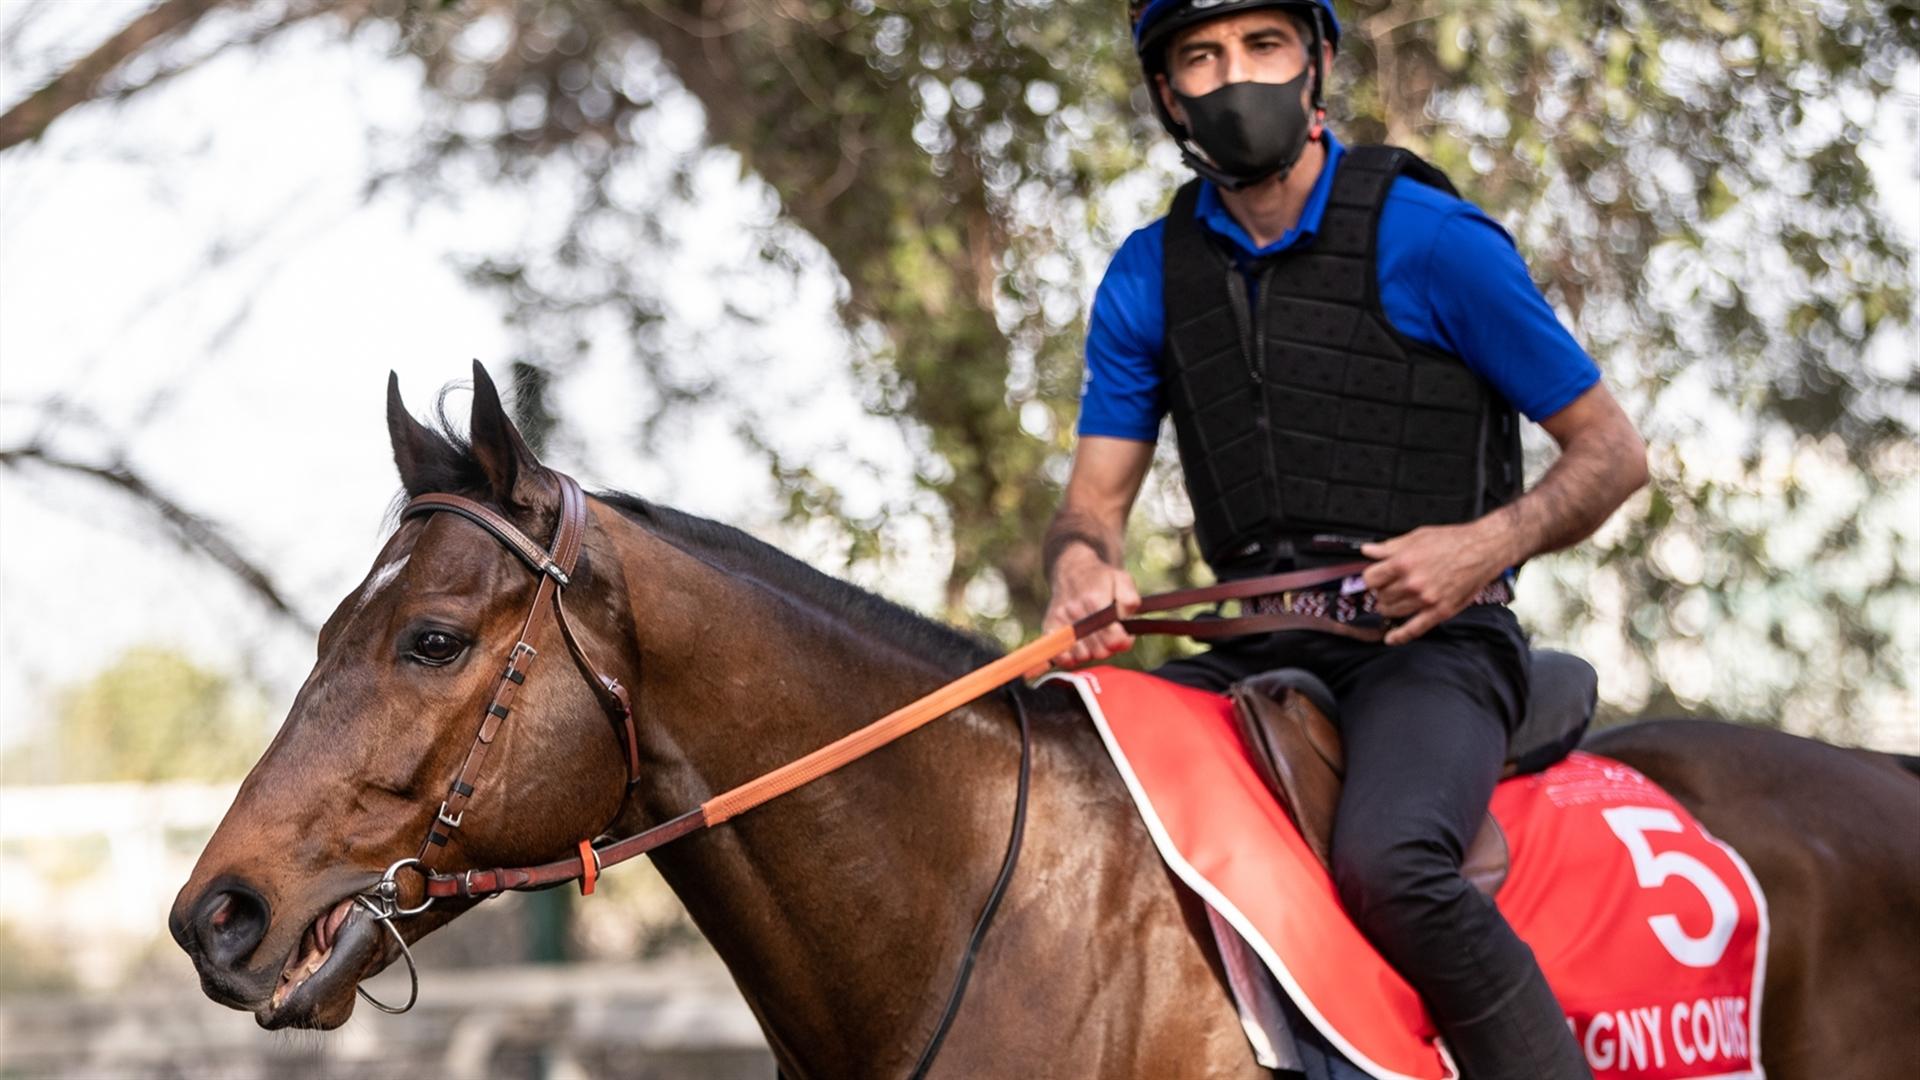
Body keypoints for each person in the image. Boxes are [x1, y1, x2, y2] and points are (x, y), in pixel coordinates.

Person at [1041, 2, 1649, 1076]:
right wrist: (1082, 567)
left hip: (1432, 646)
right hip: (1257, 644)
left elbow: (1611, 454)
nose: (1237, 79)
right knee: (1069, 783)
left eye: (1264, 45)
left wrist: (1477, 550)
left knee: (1393, 861)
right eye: (1202, 56)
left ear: (1316, 61)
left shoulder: (1433, 239)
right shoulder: (1147, 274)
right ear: (1167, 93)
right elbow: (1091, 506)